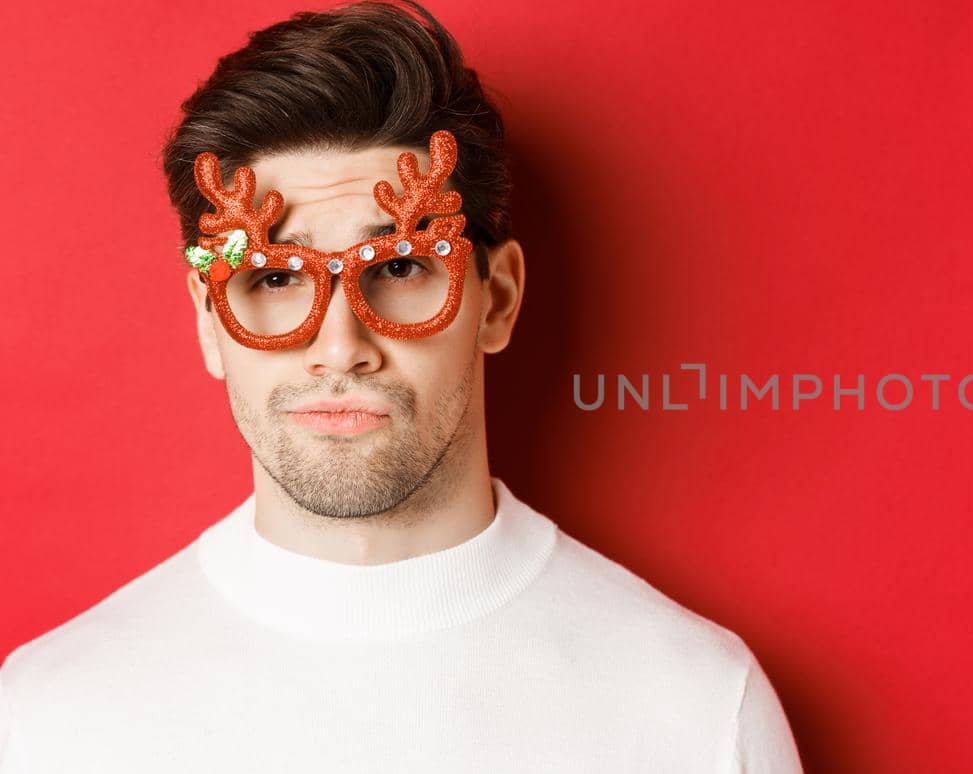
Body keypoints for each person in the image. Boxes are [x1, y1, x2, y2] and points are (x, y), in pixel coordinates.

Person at [0, 2, 803, 771]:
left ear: (498, 298)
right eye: (276, 277)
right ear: (210, 320)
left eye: (401, 267)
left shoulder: (695, 708)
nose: (340, 347)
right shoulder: (49, 720)